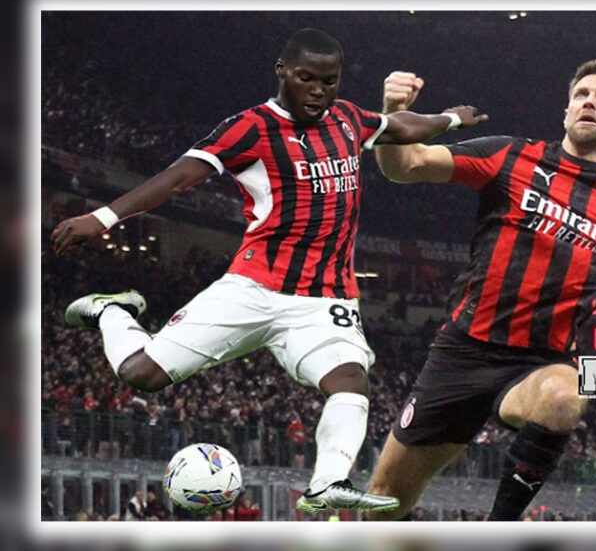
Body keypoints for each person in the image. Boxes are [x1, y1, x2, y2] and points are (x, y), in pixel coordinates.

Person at [49, 28, 487, 514]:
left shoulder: (346, 119)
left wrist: (450, 118)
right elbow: (176, 178)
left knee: (350, 380)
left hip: (325, 299)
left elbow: (398, 127)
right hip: (253, 288)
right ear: (282, 71)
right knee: (142, 374)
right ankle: (112, 311)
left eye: (329, 81)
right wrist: (102, 218)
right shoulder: (250, 128)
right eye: (306, 78)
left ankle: (327, 483)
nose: (318, 91)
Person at [366, 60, 596, 521]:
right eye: (581, 93)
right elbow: (405, 165)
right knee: (384, 500)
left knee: (568, 394)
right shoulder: (510, 155)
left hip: (545, 360)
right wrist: (392, 115)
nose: (589, 101)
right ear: (566, 111)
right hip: (462, 351)